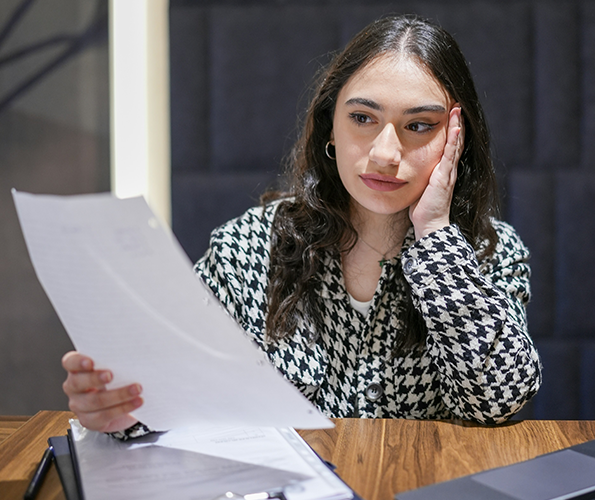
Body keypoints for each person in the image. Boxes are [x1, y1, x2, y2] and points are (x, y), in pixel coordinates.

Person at [61, 14, 541, 438]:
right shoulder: (250, 247)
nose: (384, 154)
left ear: (457, 139)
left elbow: (500, 402)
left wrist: (435, 234)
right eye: (362, 118)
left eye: (419, 126)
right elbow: (172, 388)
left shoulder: (487, 252)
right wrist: (118, 412)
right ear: (331, 125)